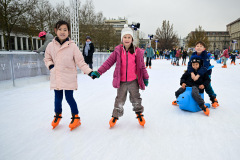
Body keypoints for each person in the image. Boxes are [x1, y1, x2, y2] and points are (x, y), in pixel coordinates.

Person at [90, 24, 149, 128]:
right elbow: (108, 63)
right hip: (121, 82)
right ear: (122, 38)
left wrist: (145, 77)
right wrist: (98, 72)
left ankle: (139, 114)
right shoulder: (118, 51)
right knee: (119, 99)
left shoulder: (137, 52)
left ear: (132, 39)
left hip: (133, 81)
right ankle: (115, 116)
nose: (127, 39)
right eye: (125, 37)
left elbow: (142, 67)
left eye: (129, 37)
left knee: (136, 98)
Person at [44, 20, 95, 131]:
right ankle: (57, 115)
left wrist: (90, 72)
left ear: (69, 32)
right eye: (60, 29)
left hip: (68, 77)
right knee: (57, 98)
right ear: (55, 31)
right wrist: (51, 66)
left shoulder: (73, 47)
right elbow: (47, 58)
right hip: (56, 76)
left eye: (65, 30)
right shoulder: (50, 46)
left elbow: (80, 62)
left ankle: (76, 117)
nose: (62, 32)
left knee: (69, 97)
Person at [187, 41, 219, 108]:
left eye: (201, 46)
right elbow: (189, 65)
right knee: (190, 83)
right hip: (195, 73)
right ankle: (187, 97)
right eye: (197, 46)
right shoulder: (193, 55)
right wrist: (192, 73)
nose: (199, 47)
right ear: (195, 48)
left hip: (206, 73)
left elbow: (205, 66)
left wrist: (198, 75)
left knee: (206, 86)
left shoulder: (205, 56)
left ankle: (213, 98)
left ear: (204, 48)